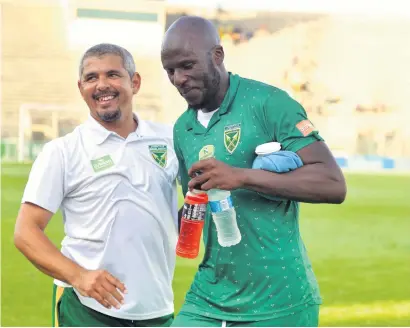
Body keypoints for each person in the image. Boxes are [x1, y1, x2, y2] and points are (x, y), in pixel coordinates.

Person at [161, 16, 346, 327]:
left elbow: (332, 184)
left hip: (280, 299)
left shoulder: (269, 103)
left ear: (217, 56)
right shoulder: (183, 129)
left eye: (187, 66)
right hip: (210, 295)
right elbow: (198, 206)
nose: (179, 78)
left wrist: (242, 176)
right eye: (170, 71)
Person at [14, 43, 179, 327]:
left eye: (113, 75)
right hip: (86, 310)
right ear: (81, 88)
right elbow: (26, 232)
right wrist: (79, 276)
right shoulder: (63, 151)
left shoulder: (169, 140)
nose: (102, 85)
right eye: (91, 78)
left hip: (156, 308)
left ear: (135, 82)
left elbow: (174, 216)